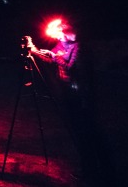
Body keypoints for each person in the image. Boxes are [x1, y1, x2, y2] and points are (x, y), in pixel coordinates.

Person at [30, 20, 114, 183]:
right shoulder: (62, 46)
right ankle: (89, 170)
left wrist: (54, 57)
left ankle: (103, 171)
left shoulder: (78, 47)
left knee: (90, 133)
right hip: (69, 94)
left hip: (82, 95)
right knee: (78, 132)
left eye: (61, 35)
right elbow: (51, 59)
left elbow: (69, 67)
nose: (58, 38)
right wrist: (34, 51)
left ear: (68, 34)